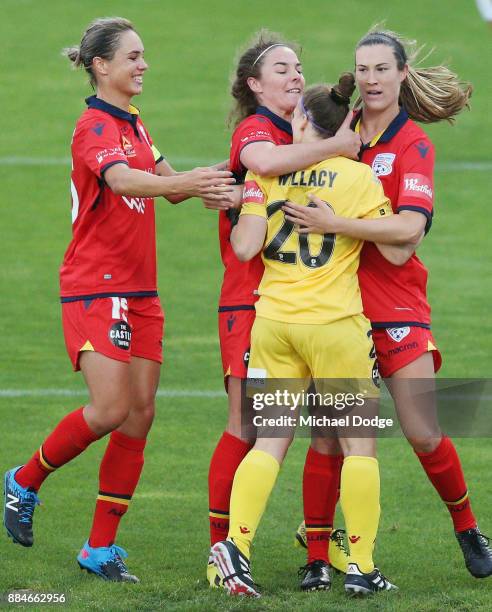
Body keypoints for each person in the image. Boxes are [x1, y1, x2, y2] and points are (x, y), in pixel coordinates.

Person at [3, 17, 234, 583]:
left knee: (139, 418)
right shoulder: (93, 126)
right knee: (109, 409)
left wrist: (232, 181)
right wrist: (187, 183)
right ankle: (23, 481)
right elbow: (126, 182)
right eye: (132, 56)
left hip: (142, 291)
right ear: (101, 65)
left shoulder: (135, 123)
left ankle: (99, 549)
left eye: (144, 55)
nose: (143, 65)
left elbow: (169, 183)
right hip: (95, 285)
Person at [284, 28, 492, 581]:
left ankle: (468, 528)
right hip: (336, 308)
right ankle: (316, 559)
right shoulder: (337, 131)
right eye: (364, 69)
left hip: (396, 304)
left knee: (424, 428)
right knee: (329, 433)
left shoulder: (413, 144)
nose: (372, 80)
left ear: (402, 74)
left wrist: (336, 223)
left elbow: (409, 236)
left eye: (383, 69)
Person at [210, 77, 401, 598]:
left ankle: (237, 544)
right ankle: (360, 565)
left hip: (274, 325)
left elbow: (245, 248)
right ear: (345, 127)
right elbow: (401, 251)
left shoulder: (266, 176)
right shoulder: (358, 178)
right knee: (359, 444)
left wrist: (244, 195)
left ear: (301, 123)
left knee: (271, 439)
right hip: (335, 326)